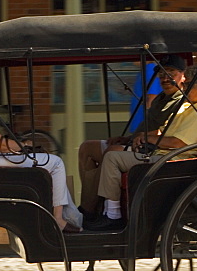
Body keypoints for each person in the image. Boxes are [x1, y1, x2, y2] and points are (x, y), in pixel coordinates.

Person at [88, 64, 197, 231]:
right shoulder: (191, 106)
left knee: (112, 157)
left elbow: (178, 143)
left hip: (174, 161)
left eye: (187, 85)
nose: (183, 88)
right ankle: (104, 210)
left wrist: (146, 137)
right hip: (163, 155)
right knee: (109, 152)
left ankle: (113, 216)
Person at [0, 70, 82, 233]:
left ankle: (73, 216)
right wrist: (23, 144)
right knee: (56, 163)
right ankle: (60, 220)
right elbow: (1, 145)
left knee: (50, 165)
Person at [77, 55, 187, 221]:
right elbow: (147, 126)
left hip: (151, 148)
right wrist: (126, 138)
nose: (165, 78)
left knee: (111, 153)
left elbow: (163, 133)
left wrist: (142, 138)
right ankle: (88, 203)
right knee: (87, 148)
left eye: (171, 73)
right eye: (162, 74)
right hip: (137, 142)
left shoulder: (181, 104)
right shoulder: (160, 100)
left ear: (182, 75)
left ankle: (93, 209)